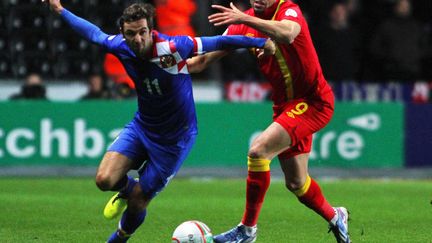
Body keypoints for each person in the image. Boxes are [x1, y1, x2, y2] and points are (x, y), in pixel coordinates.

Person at [42, 1, 275, 242]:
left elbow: (221, 42)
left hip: (175, 139)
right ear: (123, 32)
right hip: (142, 126)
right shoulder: (121, 46)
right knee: (104, 180)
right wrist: (60, 10)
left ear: (150, 29)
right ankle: (128, 188)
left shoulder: (174, 47)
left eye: (142, 32)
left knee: (138, 202)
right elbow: (93, 33)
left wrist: (261, 42)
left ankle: (119, 236)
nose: (137, 39)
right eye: (131, 33)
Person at [187, 0, 350, 242]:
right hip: (285, 106)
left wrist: (244, 19)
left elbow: (287, 33)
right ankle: (336, 216)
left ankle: (247, 230)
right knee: (296, 183)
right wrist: (161, 63)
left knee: (258, 152)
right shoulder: (241, 23)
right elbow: (200, 62)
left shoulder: (288, 10)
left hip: (313, 101)